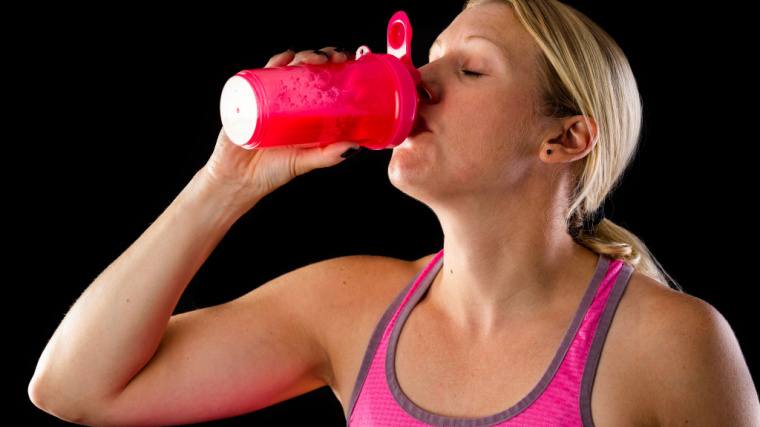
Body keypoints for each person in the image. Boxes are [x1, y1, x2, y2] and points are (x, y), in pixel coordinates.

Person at [28, 0, 759, 425]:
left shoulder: (670, 343)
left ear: (563, 137)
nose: (417, 79)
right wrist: (227, 181)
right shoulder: (349, 307)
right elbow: (75, 388)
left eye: (469, 68)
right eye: (429, 57)